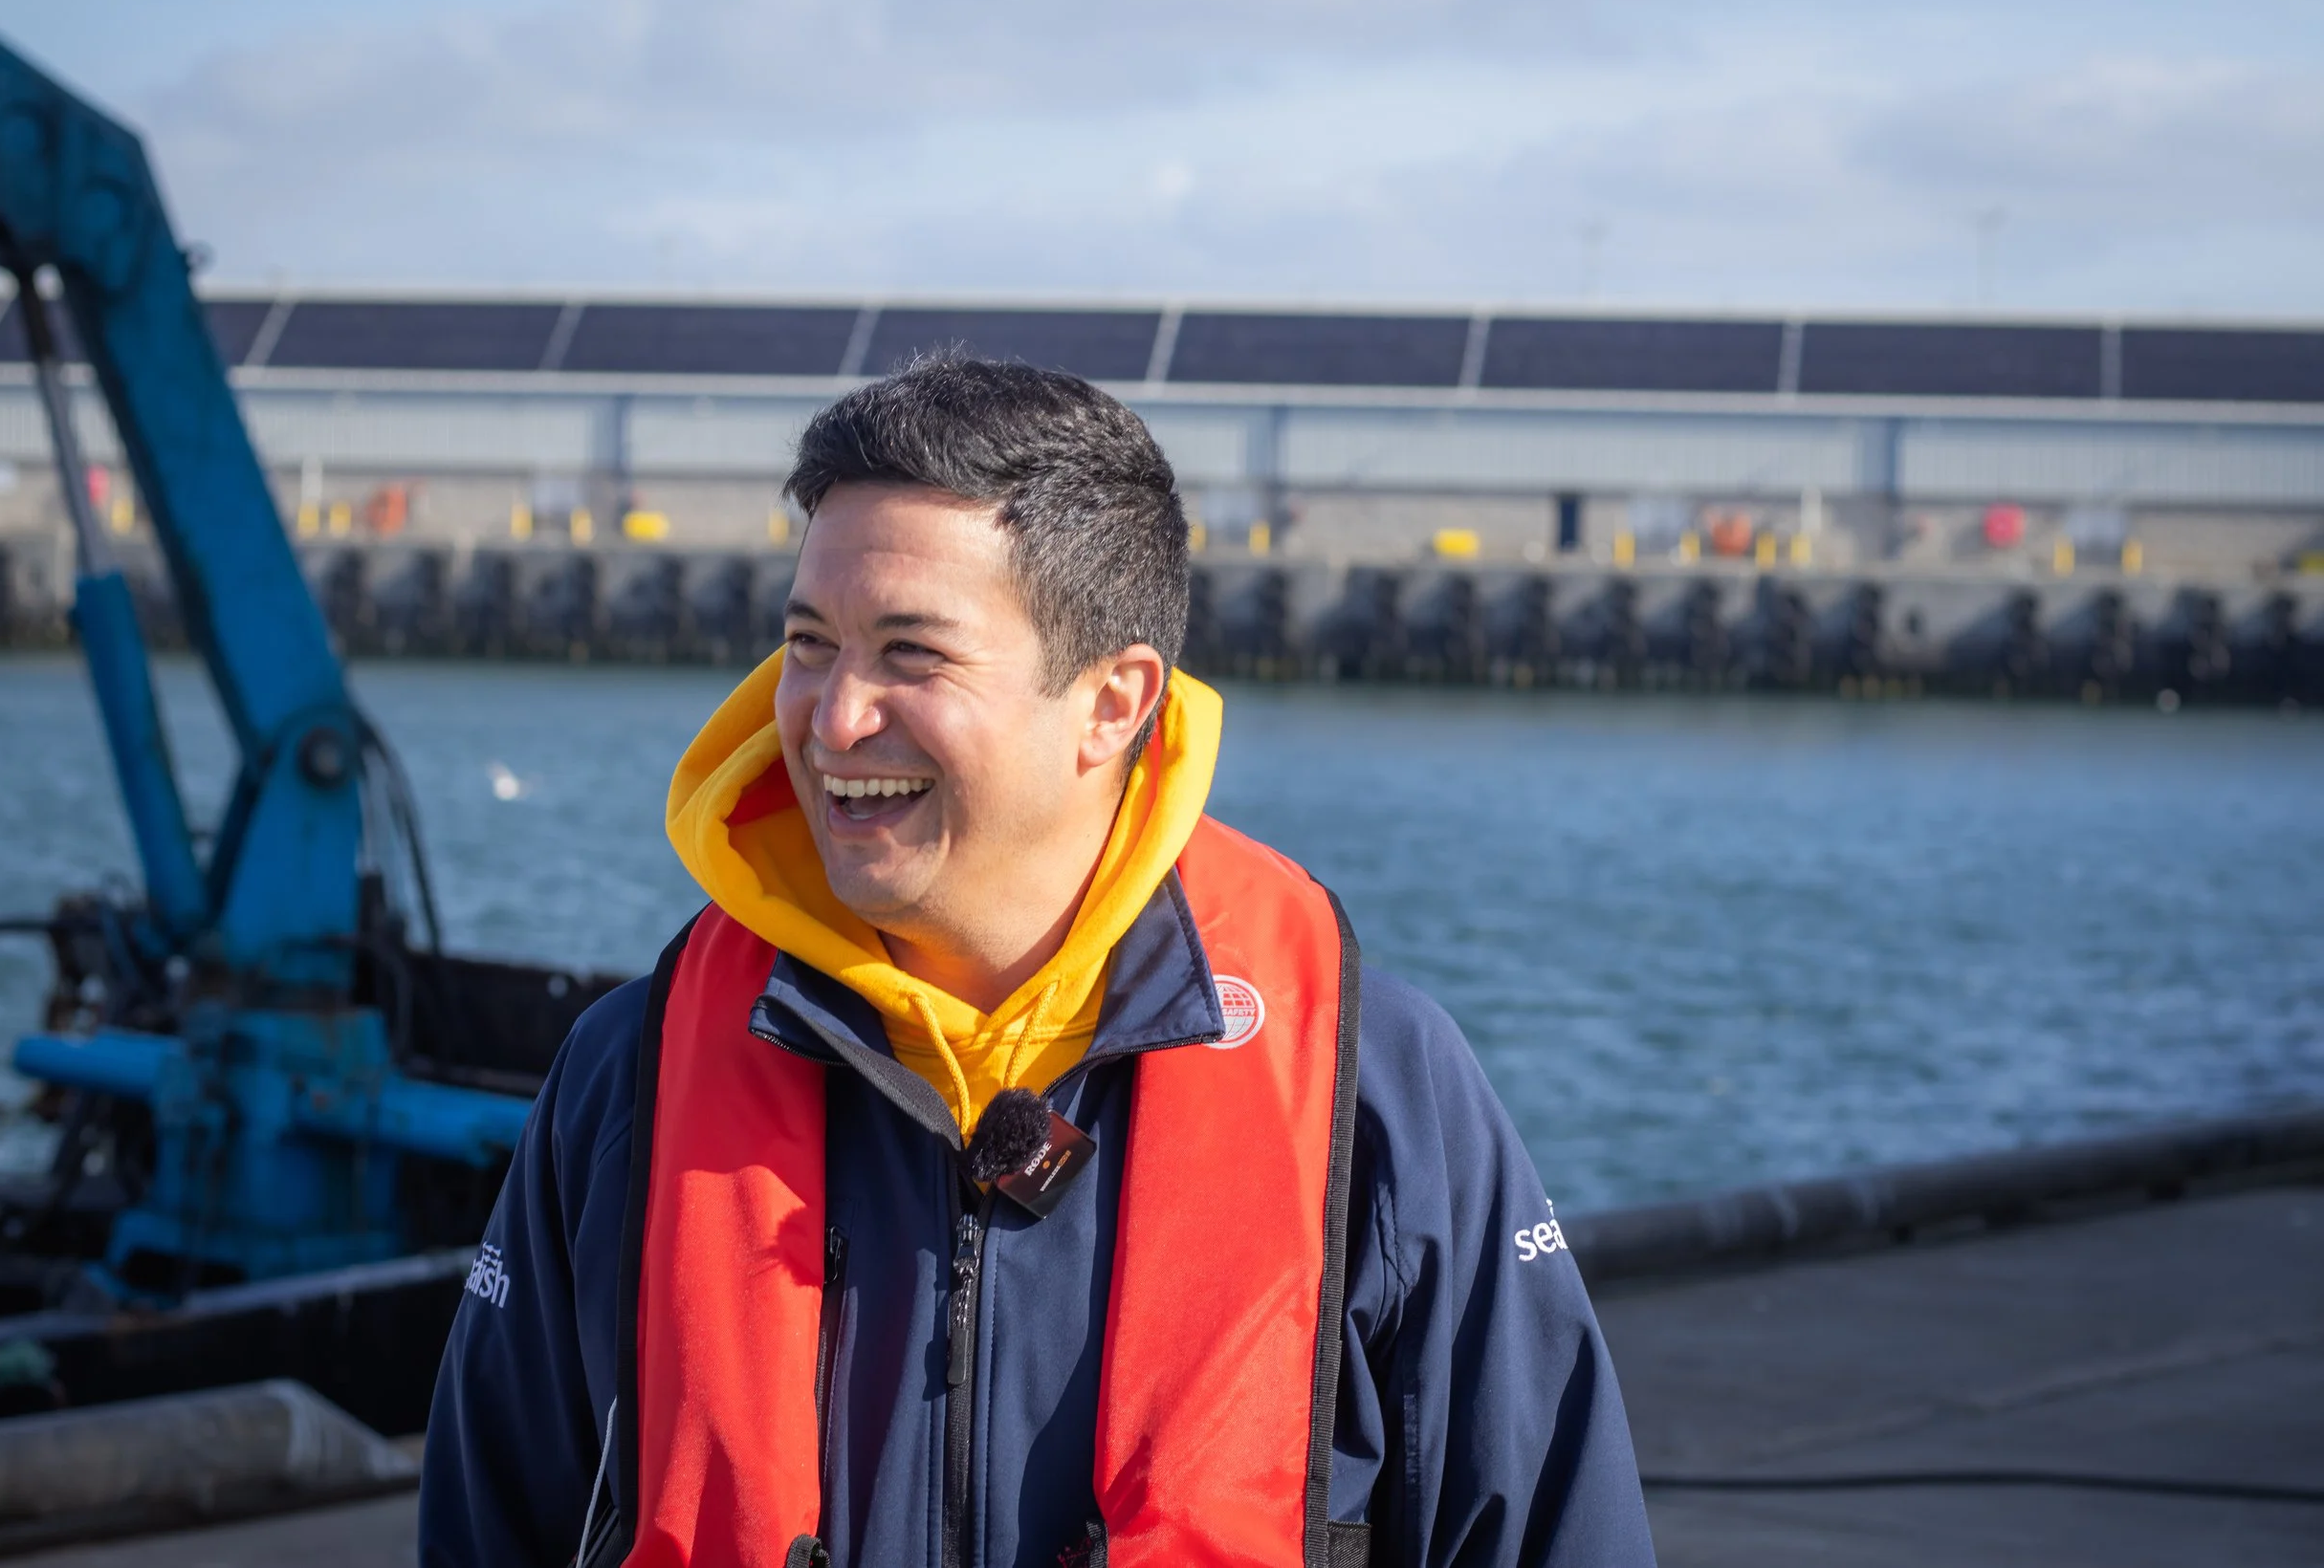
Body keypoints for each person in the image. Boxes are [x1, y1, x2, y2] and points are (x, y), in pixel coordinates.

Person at [418, 357, 1655, 1568]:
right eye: (809, 642)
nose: (834, 716)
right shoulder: (628, 1074)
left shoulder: (1377, 1089)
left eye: (913, 653)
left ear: (1116, 703)